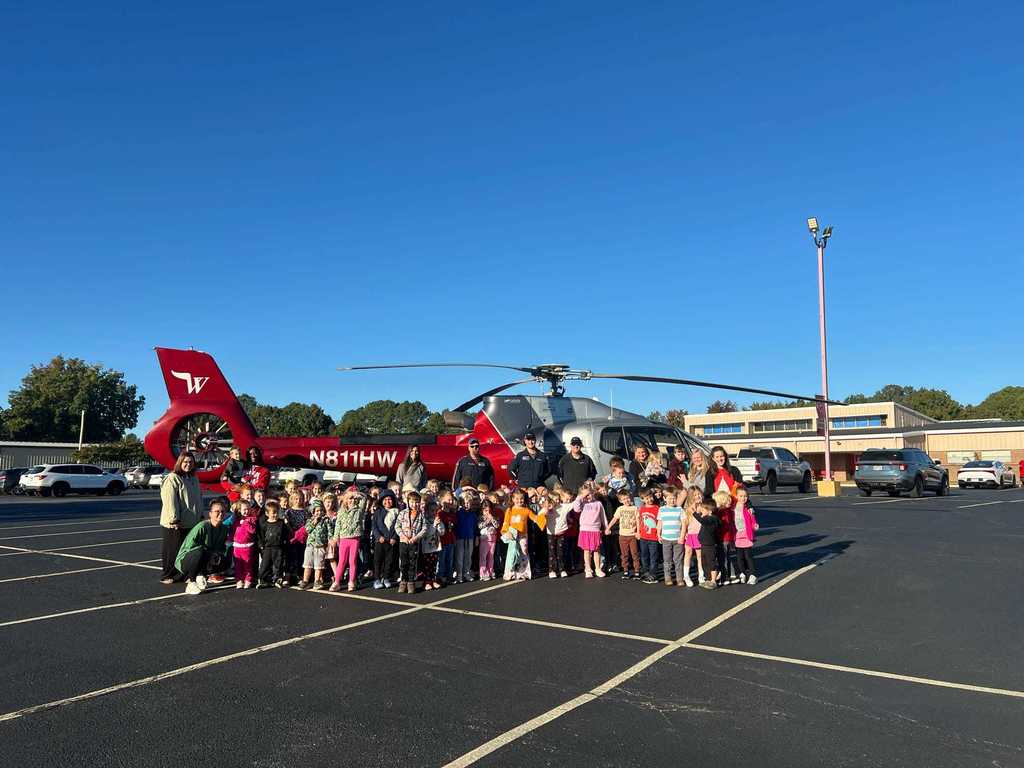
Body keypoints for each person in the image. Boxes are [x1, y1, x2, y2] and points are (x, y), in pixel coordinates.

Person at [159, 451, 203, 584]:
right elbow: (170, 500)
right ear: (179, 463)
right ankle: (168, 575)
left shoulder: (193, 478)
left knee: (186, 551)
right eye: (185, 462)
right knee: (172, 550)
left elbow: (198, 498)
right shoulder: (173, 478)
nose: (188, 465)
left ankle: (182, 574)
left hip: (191, 522)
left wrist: (200, 515)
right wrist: (174, 518)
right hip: (175, 523)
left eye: (190, 462)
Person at [176, 498, 229, 596]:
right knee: (199, 551)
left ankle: (201, 575)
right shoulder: (202, 527)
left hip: (204, 558)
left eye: (223, 511)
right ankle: (191, 583)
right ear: (210, 514)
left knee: (225, 561)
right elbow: (189, 549)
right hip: (186, 560)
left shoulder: (224, 529)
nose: (220, 514)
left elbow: (220, 548)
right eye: (217, 511)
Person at [500, 488, 546, 581]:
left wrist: (543, 514)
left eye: (521, 499)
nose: (519, 501)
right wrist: (506, 531)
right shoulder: (510, 510)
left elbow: (535, 518)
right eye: (517, 499)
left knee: (524, 552)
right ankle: (510, 572)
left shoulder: (526, 510)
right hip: (512, 534)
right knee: (512, 553)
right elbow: (506, 522)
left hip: (523, 535)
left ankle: (523, 572)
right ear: (512, 499)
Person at [330, 488, 366, 592]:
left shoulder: (359, 509)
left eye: (354, 498)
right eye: (350, 498)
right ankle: (337, 582)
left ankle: (351, 581)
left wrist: (356, 494)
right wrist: (336, 537)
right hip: (343, 538)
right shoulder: (341, 511)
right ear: (345, 499)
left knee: (352, 561)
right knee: (342, 561)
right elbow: (338, 525)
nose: (352, 500)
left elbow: (364, 498)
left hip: (355, 538)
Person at [573, 483, 608, 578]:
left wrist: (606, 527)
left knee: (597, 550)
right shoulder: (582, 503)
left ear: (593, 493)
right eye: (586, 495)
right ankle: (588, 569)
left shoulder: (598, 503)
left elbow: (603, 516)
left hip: (595, 530)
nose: (588, 496)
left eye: (589, 494)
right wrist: (580, 497)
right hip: (585, 530)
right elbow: (576, 509)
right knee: (587, 551)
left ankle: (597, 568)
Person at [395, 491, 426, 593]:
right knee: (404, 562)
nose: (414, 504)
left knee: (412, 563)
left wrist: (416, 538)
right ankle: (403, 581)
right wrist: (403, 536)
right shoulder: (402, 513)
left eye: (417, 502)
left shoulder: (421, 515)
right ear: (408, 502)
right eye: (412, 502)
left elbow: (424, 529)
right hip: (403, 542)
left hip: (414, 542)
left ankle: (411, 582)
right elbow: (397, 526)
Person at [606, 489, 641, 580]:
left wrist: (638, 531)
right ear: (620, 501)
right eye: (624, 499)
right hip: (622, 536)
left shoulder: (635, 508)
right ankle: (626, 570)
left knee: (634, 554)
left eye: (628, 498)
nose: (627, 500)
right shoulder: (620, 509)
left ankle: (637, 571)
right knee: (624, 554)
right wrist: (608, 527)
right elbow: (614, 519)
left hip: (632, 535)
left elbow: (638, 521)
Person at [257, 500, 291, 589]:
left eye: (277, 512)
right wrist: (261, 545)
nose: (275, 515)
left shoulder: (281, 523)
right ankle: (264, 580)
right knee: (265, 565)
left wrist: (285, 543)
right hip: (267, 548)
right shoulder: (264, 524)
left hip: (278, 548)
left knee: (278, 565)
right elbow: (260, 535)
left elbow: (285, 534)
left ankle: (277, 579)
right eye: (273, 513)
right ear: (267, 513)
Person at [300, 499, 331, 590]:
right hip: (310, 546)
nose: (319, 512)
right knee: (307, 565)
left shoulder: (326, 520)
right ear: (313, 511)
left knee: (319, 565)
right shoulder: (310, 520)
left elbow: (330, 532)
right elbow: (307, 530)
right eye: (317, 511)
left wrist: (330, 541)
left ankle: (317, 581)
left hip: (320, 546)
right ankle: (305, 580)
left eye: (321, 510)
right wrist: (314, 522)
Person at [657, 487, 685, 587]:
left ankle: (679, 578)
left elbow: (683, 524)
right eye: (669, 498)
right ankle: (668, 577)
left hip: (677, 539)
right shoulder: (662, 510)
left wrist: (682, 536)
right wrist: (658, 534)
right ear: (664, 499)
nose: (672, 500)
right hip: (666, 539)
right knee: (667, 559)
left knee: (678, 559)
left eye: (673, 498)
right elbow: (659, 523)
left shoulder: (679, 509)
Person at [371, 490, 399, 589]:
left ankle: (386, 577)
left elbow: (398, 526)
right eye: (385, 499)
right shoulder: (378, 512)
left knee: (389, 560)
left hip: (391, 541)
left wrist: (394, 537)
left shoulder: (397, 512)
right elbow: (374, 526)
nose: (387, 501)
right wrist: (378, 537)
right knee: (378, 560)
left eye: (390, 499)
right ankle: (377, 579)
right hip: (380, 541)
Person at [733, 485, 759, 585]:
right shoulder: (733, 508)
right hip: (737, 535)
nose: (743, 498)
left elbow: (752, 519)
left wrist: (755, 525)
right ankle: (742, 573)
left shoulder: (749, 508)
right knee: (739, 556)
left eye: (745, 496)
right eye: (741, 496)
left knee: (748, 555)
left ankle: (752, 575)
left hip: (746, 534)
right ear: (736, 496)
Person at [692, 501, 721, 590]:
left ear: (710, 511)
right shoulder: (707, 519)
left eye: (703, 510)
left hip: (710, 545)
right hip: (704, 544)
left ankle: (713, 580)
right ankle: (708, 578)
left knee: (711, 562)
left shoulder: (712, 519)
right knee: (705, 562)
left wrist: (694, 512)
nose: (701, 511)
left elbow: (702, 520)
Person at [230, 500, 259, 589]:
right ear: (239, 510)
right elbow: (232, 531)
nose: (246, 511)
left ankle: (248, 580)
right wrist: (230, 539)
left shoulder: (251, 519)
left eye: (248, 509)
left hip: (247, 546)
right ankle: (239, 580)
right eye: (244, 509)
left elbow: (252, 531)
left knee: (248, 565)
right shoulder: (236, 520)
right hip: (237, 546)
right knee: (238, 564)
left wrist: (246, 523)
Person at [636, 489, 662, 584]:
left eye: (650, 497)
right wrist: (638, 532)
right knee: (644, 555)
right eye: (646, 498)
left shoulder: (657, 508)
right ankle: (646, 572)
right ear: (642, 499)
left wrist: (659, 533)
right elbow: (640, 521)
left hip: (653, 537)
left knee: (653, 556)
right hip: (643, 537)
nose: (649, 499)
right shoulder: (642, 508)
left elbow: (659, 522)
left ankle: (653, 574)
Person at [544, 492, 572, 579]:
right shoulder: (547, 509)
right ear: (551, 500)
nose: (557, 501)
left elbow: (574, 504)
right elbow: (540, 515)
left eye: (558, 499)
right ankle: (552, 570)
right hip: (551, 533)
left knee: (560, 552)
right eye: (555, 499)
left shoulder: (563, 506)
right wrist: (547, 509)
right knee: (552, 552)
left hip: (561, 533)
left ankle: (562, 569)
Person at [712, 490, 738, 585]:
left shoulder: (721, 512)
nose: (729, 502)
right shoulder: (729, 511)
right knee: (727, 556)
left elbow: (721, 526)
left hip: (723, 538)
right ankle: (732, 574)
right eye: (727, 501)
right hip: (728, 537)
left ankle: (725, 576)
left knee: (723, 558)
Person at [454, 488, 479, 583]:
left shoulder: (473, 515)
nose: (467, 505)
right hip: (460, 537)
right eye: (465, 503)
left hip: (470, 538)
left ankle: (466, 573)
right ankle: (459, 574)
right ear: (461, 503)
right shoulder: (458, 513)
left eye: (469, 503)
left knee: (468, 556)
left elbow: (475, 527)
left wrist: (476, 537)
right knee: (459, 557)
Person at [682, 487, 705, 587]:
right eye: (695, 495)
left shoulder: (704, 508)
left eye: (699, 494)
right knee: (688, 554)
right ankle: (686, 576)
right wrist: (683, 534)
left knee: (700, 556)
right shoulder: (688, 510)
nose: (697, 496)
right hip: (690, 535)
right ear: (691, 497)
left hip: (700, 535)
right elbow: (684, 524)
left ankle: (701, 575)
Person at [421, 501, 443, 590]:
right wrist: (434, 525)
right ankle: (427, 581)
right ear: (427, 511)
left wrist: (439, 526)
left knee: (434, 565)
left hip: (435, 547)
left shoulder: (437, 520)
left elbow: (442, 532)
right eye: (431, 510)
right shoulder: (425, 521)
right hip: (427, 547)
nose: (433, 513)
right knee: (427, 565)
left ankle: (433, 580)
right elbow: (427, 533)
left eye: (435, 511)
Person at [478, 499, 501, 581]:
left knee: (491, 556)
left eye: (489, 510)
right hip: (485, 538)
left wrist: (492, 519)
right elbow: (479, 526)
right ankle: (483, 573)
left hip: (493, 538)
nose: (488, 512)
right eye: (485, 510)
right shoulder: (481, 518)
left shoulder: (494, 517)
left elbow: (497, 526)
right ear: (482, 510)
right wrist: (487, 521)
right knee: (483, 556)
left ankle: (490, 571)